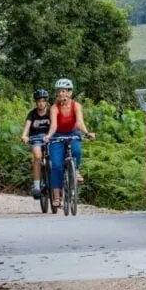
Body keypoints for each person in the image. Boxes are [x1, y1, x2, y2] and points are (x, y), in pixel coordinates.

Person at [48, 77, 95, 210]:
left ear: (69, 93)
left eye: (63, 91)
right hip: (57, 135)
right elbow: (54, 125)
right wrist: (48, 136)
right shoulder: (54, 108)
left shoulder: (77, 106)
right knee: (56, 165)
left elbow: (79, 122)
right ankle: (57, 197)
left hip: (73, 133)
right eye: (59, 91)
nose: (60, 94)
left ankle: (76, 170)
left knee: (77, 151)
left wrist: (86, 133)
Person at [19, 89, 54, 198]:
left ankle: (57, 184)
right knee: (38, 157)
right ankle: (37, 187)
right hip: (35, 139)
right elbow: (27, 126)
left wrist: (51, 135)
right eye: (39, 101)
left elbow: (54, 125)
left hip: (49, 137)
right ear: (36, 102)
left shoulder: (50, 112)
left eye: (43, 100)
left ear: (46, 102)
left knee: (56, 158)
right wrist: (24, 136)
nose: (41, 103)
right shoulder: (32, 114)